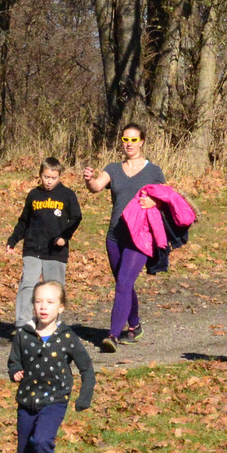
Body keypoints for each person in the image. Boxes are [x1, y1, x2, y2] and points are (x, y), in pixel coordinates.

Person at [7, 280, 95, 453]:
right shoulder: (23, 334)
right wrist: (15, 371)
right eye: (38, 302)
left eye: (50, 302)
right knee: (23, 452)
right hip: (27, 400)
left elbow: (86, 368)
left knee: (42, 440)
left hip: (54, 400)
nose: (43, 307)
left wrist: (84, 396)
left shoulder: (67, 337)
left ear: (61, 307)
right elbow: (14, 360)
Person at [82, 123, 165, 352]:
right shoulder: (113, 169)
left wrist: (154, 202)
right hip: (114, 236)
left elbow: (167, 200)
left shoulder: (154, 171)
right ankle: (135, 325)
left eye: (133, 140)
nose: (129, 144)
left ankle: (113, 335)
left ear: (142, 142)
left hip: (140, 237)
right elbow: (97, 186)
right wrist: (89, 179)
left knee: (123, 284)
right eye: (125, 140)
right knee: (124, 284)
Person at [6, 157, 83, 329]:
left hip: (55, 251)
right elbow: (24, 221)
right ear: (40, 175)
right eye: (46, 177)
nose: (49, 181)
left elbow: (76, 217)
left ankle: (50, 325)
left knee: (54, 290)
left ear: (60, 176)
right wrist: (13, 240)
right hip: (33, 248)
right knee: (28, 285)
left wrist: (65, 236)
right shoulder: (34, 195)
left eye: (53, 178)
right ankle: (23, 325)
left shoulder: (67, 195)